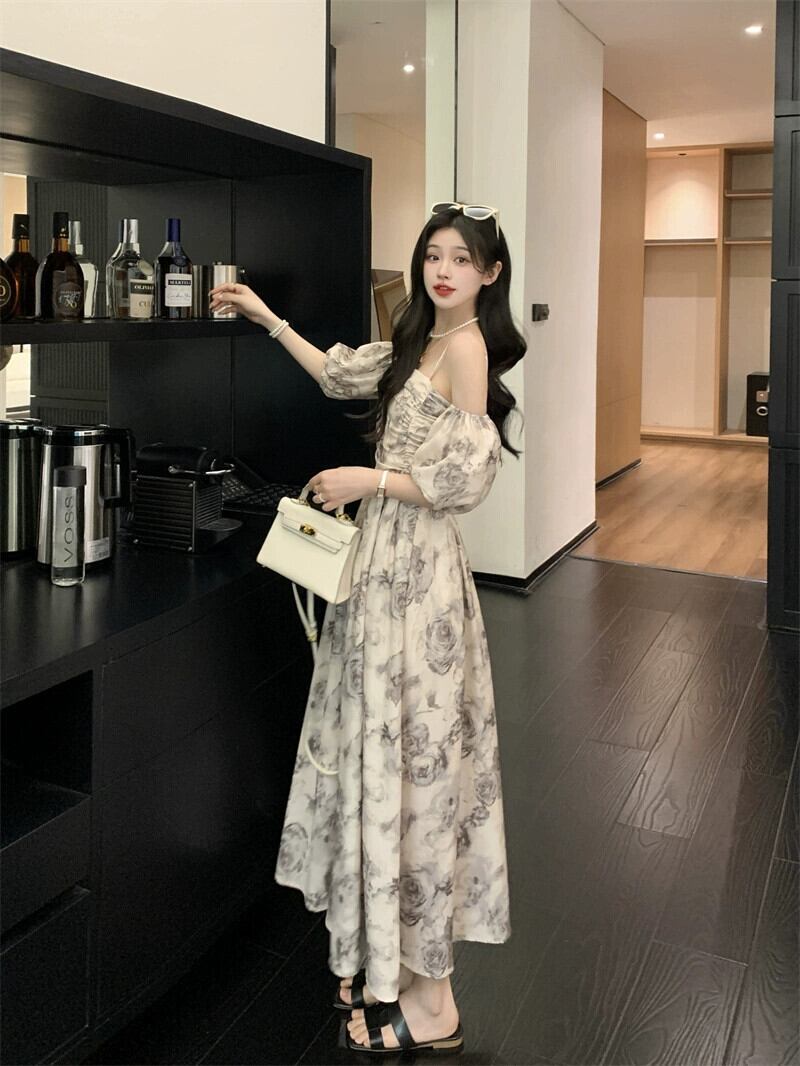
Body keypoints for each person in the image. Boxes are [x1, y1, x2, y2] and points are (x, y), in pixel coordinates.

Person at [209, 202, 525, 1055]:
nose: (444, 270)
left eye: (462, 259)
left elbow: (465, 481)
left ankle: (433, 1000)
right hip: (383, 574)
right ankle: (386, 960)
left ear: (490, 273)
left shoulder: (467, 348)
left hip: (419, 580)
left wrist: (369, 479)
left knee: (416, 769)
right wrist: (267, 317)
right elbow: (335, 375)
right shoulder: (419, 341)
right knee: (384, 755)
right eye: (434, 255)